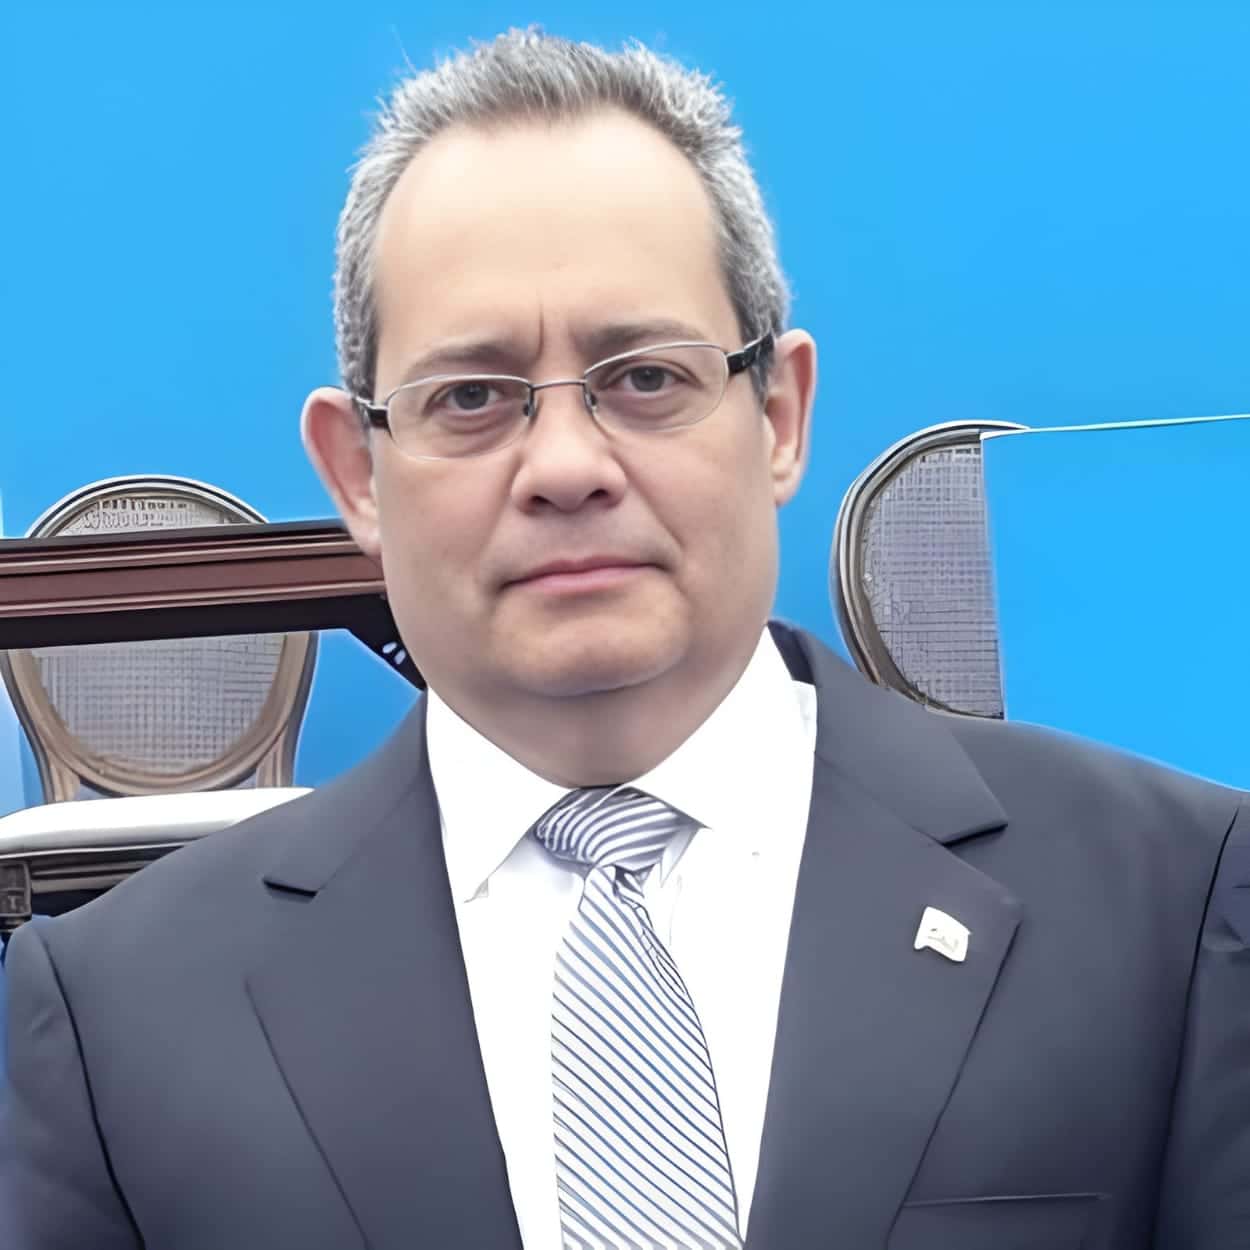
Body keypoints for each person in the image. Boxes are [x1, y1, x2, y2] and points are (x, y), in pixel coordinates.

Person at [1, 29, 1247, 1250]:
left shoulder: (1168, 908)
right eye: (470, 397)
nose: (564, 465)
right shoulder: (120, 1019)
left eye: (645, 377)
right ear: (356, 473)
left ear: (777, 413)